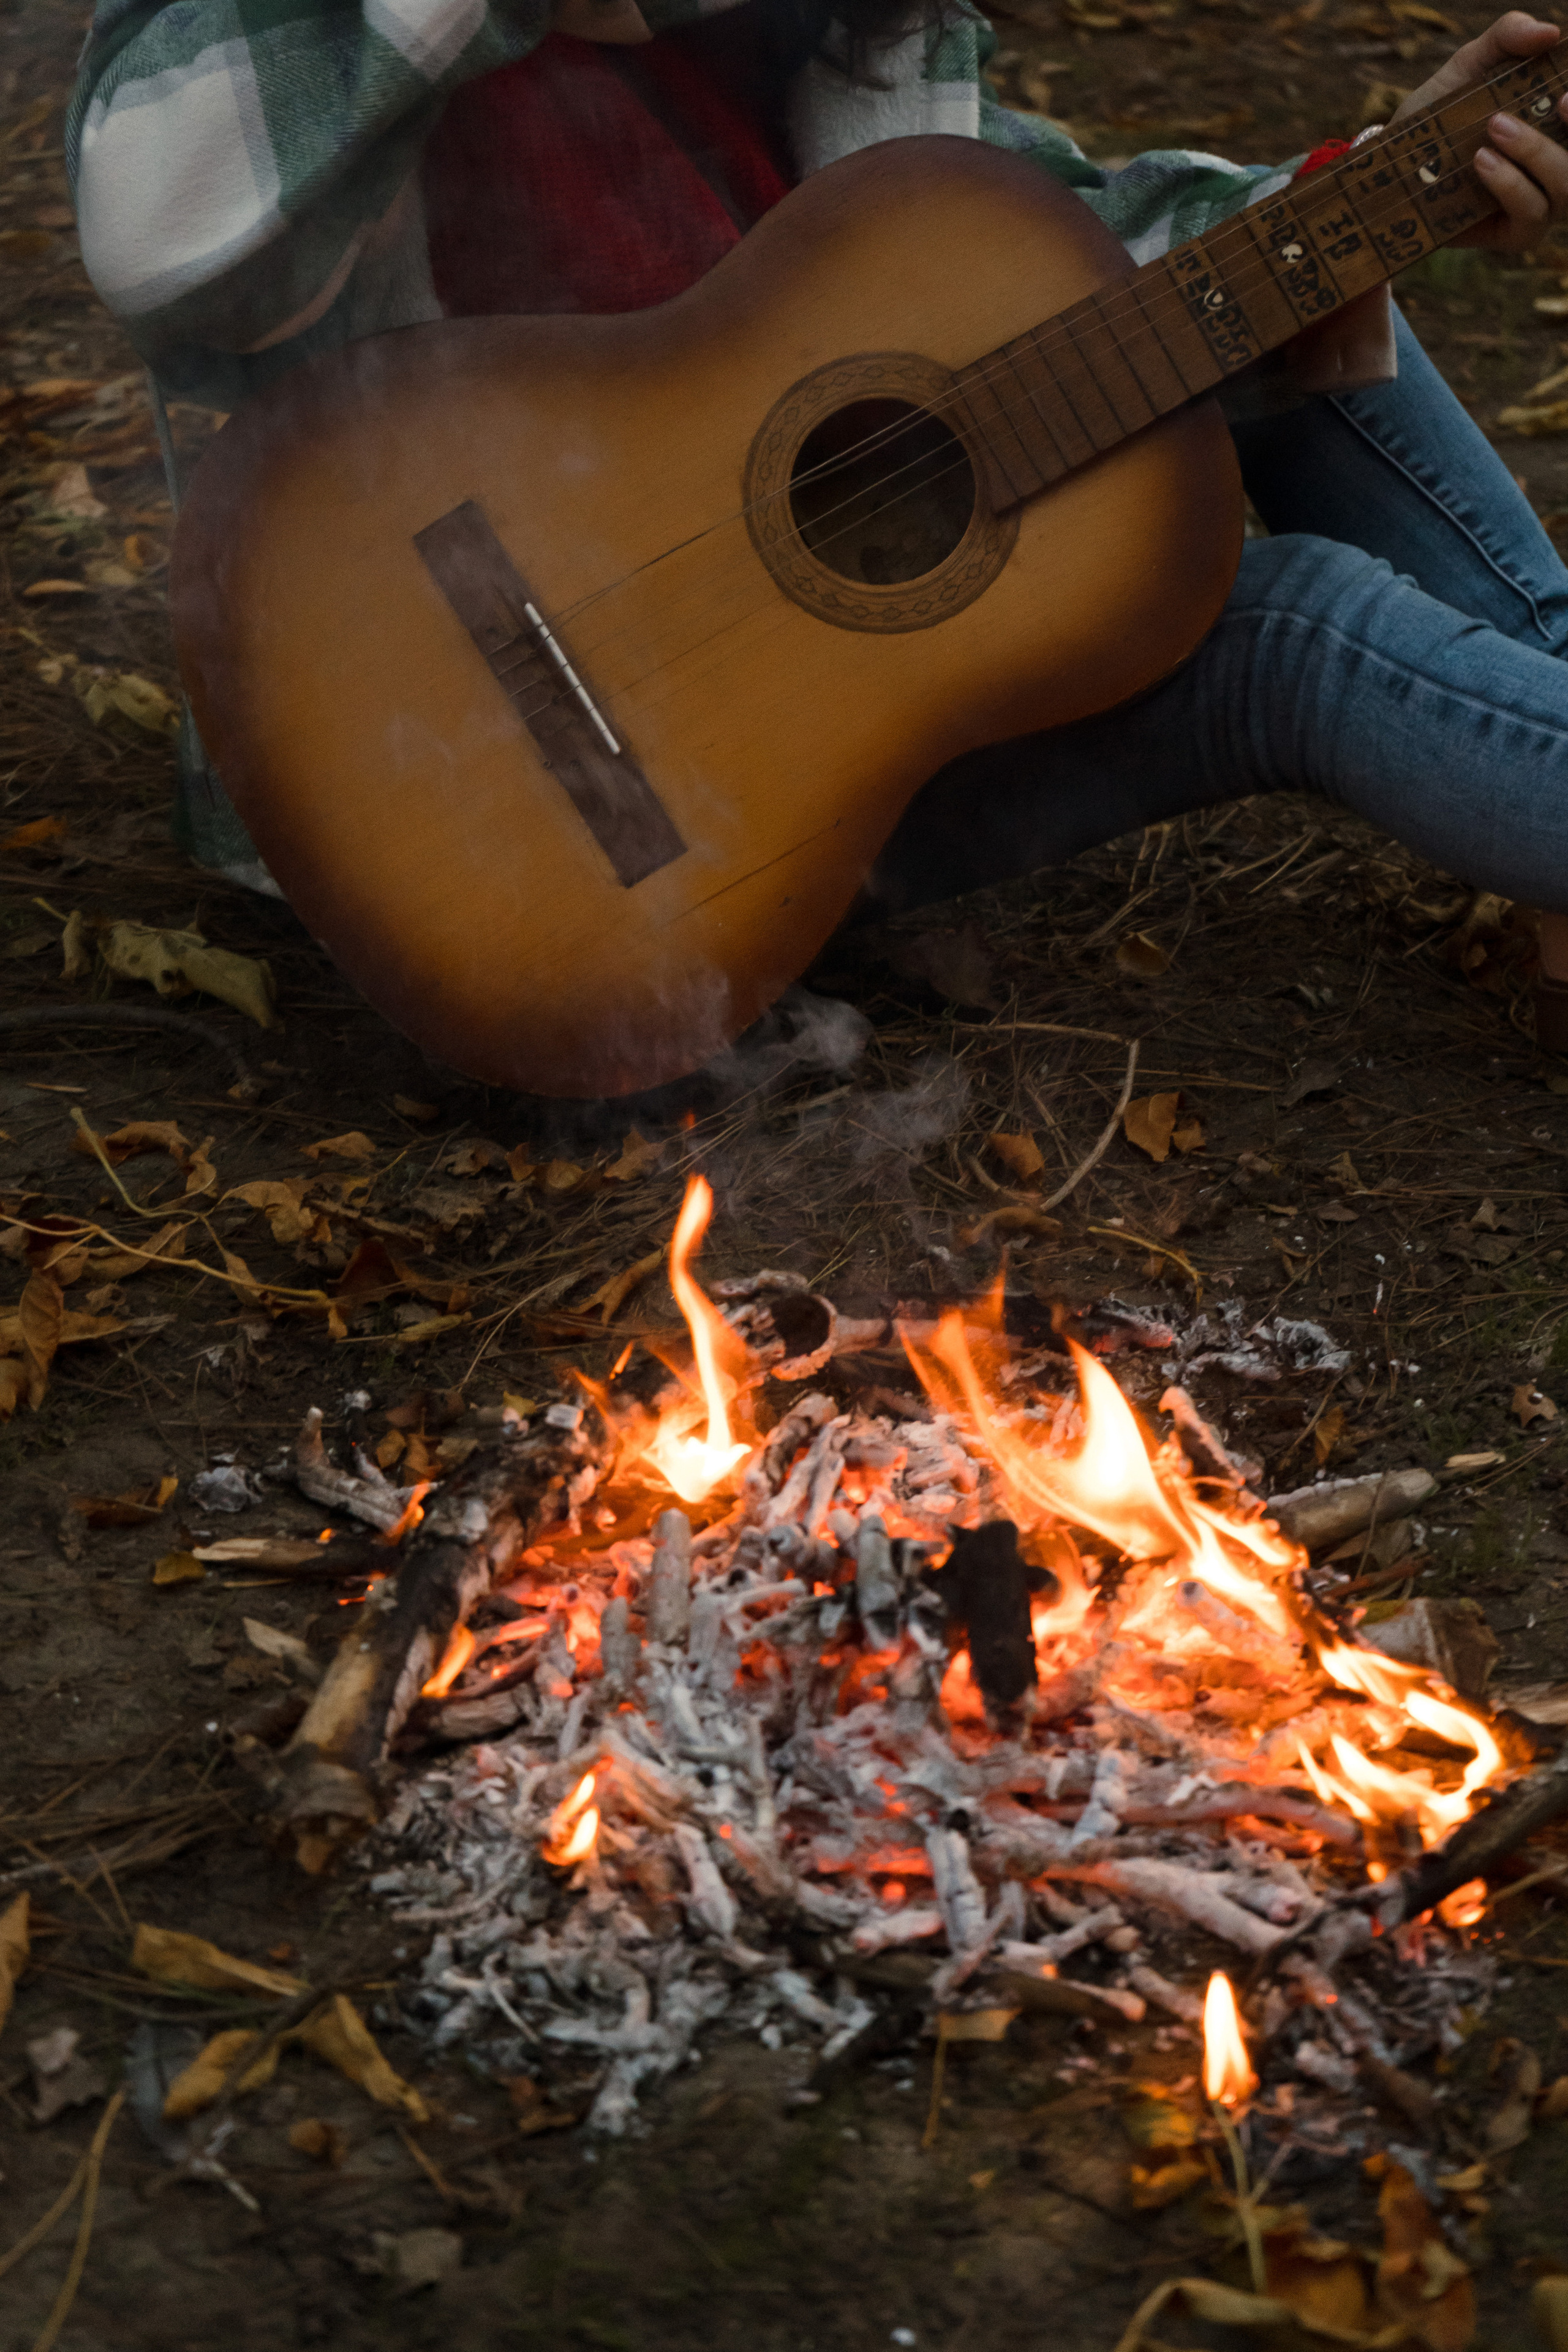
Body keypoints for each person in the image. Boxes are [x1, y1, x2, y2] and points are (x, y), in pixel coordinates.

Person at [64, 0, 1568, 1050]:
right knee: (1294, 626)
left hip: (843, 649)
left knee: (1291, 284)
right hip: (596, 839)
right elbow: (159, 238)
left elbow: (981, 257)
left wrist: (1383, 186)